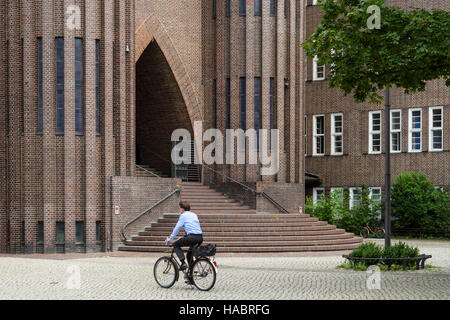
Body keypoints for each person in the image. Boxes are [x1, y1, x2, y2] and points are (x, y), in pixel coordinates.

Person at [165, 201, 203, 271]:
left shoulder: (183, 215)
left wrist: (170, 239)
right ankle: (191, 276)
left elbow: (177, 228)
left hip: (192, 237)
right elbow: (194, 228)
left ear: (182, 209)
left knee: (175, 245)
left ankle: (183, 263)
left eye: (180, 208)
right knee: (189, 255)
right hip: (200, 237)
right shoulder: (194, 215)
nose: (180, 210)